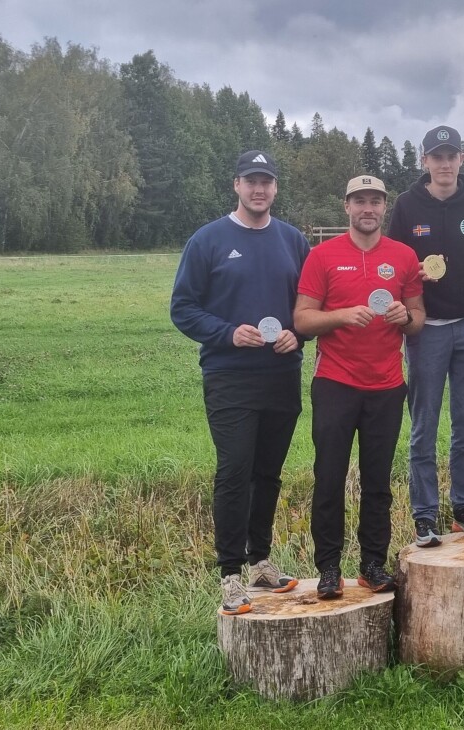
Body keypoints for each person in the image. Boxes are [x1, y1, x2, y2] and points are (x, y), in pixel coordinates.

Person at [171, 150, 308, 615]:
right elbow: (183, 308)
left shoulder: (292, 240)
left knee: (267, 474)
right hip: (229, 376)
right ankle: (230, 575)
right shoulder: (208, 240)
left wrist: (299, 333)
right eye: (251, 181)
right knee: (234, 472)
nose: (259, 189)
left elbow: (308, 306)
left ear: (274, 188)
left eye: (266, 182)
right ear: (236, 185)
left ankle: (261, 562)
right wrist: (227, 333)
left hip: (281, 376)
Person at [294, 175, 425, 599]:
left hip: (387, 385)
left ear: (384, 208)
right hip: (334, 382)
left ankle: (373, 564)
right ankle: (329, 568)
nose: (367, 208)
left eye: (375, 201)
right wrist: (342, 316)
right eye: (359, 201)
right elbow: (302, 320)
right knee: (328, 477)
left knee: (378, 482)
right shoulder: (322, 255)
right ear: (346, 206)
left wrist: (405, 315)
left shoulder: (404, 256)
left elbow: (419, 320)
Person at [387, 125, 464, 548]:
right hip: (426, 328)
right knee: (424, 424)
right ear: (425, 161)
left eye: (451, 156)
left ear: (461, 159)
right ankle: (425, 515)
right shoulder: (407, 206)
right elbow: (394, 262)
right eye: (437, 156)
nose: (445, 163)